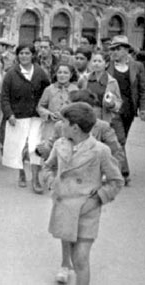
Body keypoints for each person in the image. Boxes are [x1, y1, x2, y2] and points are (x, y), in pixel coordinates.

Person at [44, 102, 123, 285]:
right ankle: (67, 267)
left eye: (64, 122)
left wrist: (96, 200)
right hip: (64, 208)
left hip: (87, 211)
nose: (60, 125)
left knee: (80, 258)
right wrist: (52, 183)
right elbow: (48, 167)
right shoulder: (59, 144)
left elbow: (116, 181)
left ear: (75, 128)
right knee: (72, 253)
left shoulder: (100, 151)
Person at [1, 43, 50, 193]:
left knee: (35, 147)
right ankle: (21, 172)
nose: (24, 56)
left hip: (36, 116)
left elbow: (47, 93)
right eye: (21, 53)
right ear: (17, 56)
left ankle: (35, 179)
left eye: (27, 53)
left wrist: (45, 111)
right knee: (20, 147)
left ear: (33, 55)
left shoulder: (41, 73)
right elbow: (4, 97)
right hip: (17, 116)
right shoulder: (11, 73)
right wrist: (9, 114)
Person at [37, 89, 125, 167]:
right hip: (66, 177)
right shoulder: (60, 126)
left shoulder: (102, 127)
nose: (64, 106)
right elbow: (52, 150)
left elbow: (117, 154)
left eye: (68, 103)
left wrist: (106, 175)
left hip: (92, 177)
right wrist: (43, 151)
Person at [107, 35, 145, 184]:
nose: (115, 52)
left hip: (129, 108)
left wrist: (143, 108)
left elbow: (143, 89)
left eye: (118, 49)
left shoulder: (137, 66)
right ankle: (124, 171)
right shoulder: (107, 65)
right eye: (113, 49)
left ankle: (115, 168)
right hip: (113, 109)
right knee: (119, 139)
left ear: (126, 50)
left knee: (121, 140)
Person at [37, 63, 78, 141]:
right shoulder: (49, 89)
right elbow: (40, 106)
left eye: (65, 73)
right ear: (56, 74)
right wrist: (49, 114)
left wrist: (65, 116)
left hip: (68, 126)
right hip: (51, 126)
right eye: (59, 72)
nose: (62, 75)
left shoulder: (75, 90)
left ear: (71, 75)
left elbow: (78, 109)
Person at [79, 52, 122, 124]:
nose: (96, 63)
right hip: (85, 115)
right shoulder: (84, 79)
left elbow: (118, 102)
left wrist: (112, 105)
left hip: (103, 116)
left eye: (99, 61)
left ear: (106, 64)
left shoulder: (112, 81)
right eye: (94, 61)